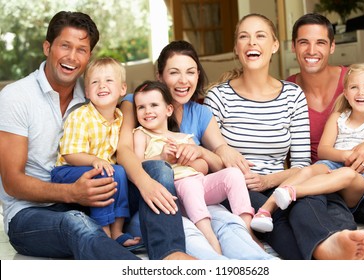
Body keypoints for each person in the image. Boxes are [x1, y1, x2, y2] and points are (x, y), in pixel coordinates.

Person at [0, 11, 193, 260]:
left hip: (96, 195)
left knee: (157, 170)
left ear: (89, 56)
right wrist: (71, 193)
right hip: (32, 214)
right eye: (65, 46)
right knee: (76, 222)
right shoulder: (16, 97)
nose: (72, 56)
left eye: (81, 49)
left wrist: (125, 111)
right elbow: (12, 183)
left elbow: (128, 101)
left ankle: (171, 255)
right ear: (47, 47)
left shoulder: (92, 88)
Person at [204, 13, 364, 260]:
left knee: (305, 198)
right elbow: (209, 162)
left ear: (274, 45)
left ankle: (334, 243)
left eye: (260, 36)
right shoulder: (217, 97)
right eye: (244, 37)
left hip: (278, 182)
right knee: (278, 217)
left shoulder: (292, 95)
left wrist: (269, 181)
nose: (252, 42)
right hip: (237, 188)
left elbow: (302, 165)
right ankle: (323, 255)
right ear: (236, 48)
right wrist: (227, 158)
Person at [119, 40, 277, 260]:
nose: (183, 80)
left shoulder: (200, 113)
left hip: (195, 194)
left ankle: (267, 264)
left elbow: (215, 163)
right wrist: (146, 182)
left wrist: (201, 152)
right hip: (154, 197)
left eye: (191, 72)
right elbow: (124, 152)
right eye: (174, 72)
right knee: (192, 231)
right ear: (160, 76)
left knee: (228, 223)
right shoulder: (138, 103)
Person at [284, 12, 364, 260]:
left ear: (332, 46)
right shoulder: (285, 91)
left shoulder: (355, 81)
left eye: (320, 42)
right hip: (322, 176)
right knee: (307, 210)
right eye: (303, 42)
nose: (312, 50)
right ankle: (347, 250)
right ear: (293, 47)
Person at [132, 80, 265, 254]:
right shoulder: (142, 134)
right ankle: (208, 235)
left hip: (200, 185)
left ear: (168, 110)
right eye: (141, 107)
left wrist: (189, 156)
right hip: (177, 192)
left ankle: (247, 228)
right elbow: (137, 164)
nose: (147, 111)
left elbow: (202, 168)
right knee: (189, 183)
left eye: (154, 105)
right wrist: (162, 157)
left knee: (233, 174)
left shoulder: (183, 137)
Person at [253, 63, 364, 232]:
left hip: (362, 175)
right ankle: (265, 210)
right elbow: (324, 150)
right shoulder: (337, 118)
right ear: (346, 93)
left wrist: (349, 159)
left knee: (346, 173)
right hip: (332, 166)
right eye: (354, 87)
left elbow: (363, 158)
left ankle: (293, 191)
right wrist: (344, 155)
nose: (361, 92)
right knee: (307, 170)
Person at [50, 57, 142, 248]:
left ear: (122, 89)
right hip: (67, 171)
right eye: (95, 82)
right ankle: (103, 233)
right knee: (105, 173)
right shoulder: (81, 116)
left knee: (119, 172)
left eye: (109, 80)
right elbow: (70, 153)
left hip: (101, 170)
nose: (102, 85)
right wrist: (94, 160)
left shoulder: (119, 118)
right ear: (87, 91)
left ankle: (117, 231)